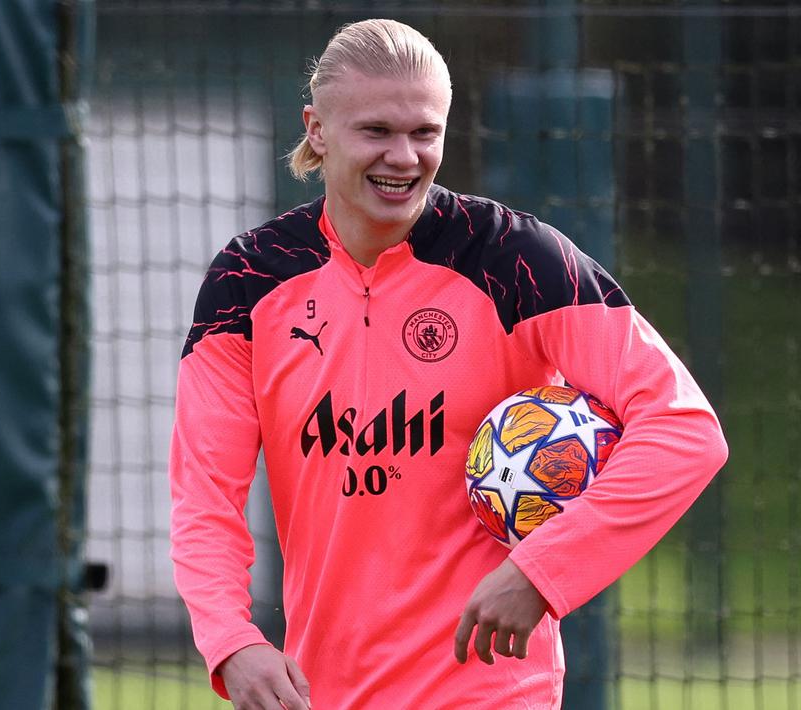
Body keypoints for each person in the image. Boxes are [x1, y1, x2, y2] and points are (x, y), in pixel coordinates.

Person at [169, 18, 728, 709]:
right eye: (376, 131)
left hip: (491, 690)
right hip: (320, 693)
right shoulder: (249, 279)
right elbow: (204, 497)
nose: (403, 157)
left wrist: (541, 571)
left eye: (424, 133)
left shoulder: (517, 261)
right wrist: (231, 639)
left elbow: (683, 430)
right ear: (316, 129)